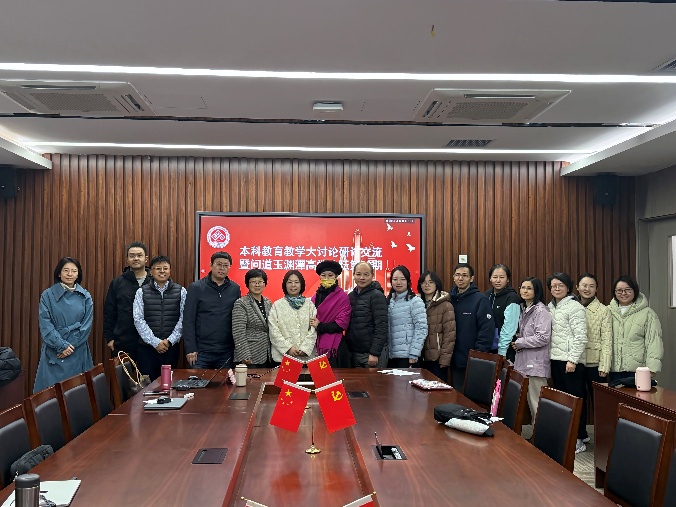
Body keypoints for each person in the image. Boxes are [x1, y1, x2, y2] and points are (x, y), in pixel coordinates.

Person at [34, 257, 93, 393]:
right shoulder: (47, 295)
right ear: (59, 273)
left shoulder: (85, 296)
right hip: (54, 349)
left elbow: (86, 326)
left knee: (78, 393)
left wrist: (70, 346)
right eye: (66, 270)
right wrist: (61, 345)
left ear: (78, 274)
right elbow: (45, 324)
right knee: (51, 395)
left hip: (78, 349)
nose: (70, 274)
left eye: (74, 271)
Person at [547, 272, 588, 453]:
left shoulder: (575, 307)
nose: (557, 288)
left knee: (575, 401)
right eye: (553, 286)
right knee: (562, 401)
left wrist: (573, 359)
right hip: (556, 360)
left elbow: (581, 336)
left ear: (568, 287)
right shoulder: (550, 307)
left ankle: (579, 438)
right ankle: (567, 435)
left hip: (571, 363)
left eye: (560, 285)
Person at [183, 252, 241, 369]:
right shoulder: (196, 288)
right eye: (219, 264)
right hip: (201, 351)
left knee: (225, 381)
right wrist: (191, 348)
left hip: (226, 351)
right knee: (197, 381)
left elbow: (238, 319)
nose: (222, 268)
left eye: (226, 265)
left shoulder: (235, 289)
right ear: (211, 265)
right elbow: (188, 320)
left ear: (230, 267)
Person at [132, 255, 186, 381]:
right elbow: (138, 319)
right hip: (147, 349)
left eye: (165, 268)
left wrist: (170, 341)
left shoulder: (181, 291)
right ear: (151, 271)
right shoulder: (141, 292)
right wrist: (155, 342)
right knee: (147, 387)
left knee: (168, 385)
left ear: (170, 271)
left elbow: (184, 319)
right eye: (158, 268)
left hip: (170, 348)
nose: (162, 271)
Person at [576, 272, 612, 440]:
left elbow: (607, 340)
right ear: (577, 287)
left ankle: (604, 441)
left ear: (596, 289)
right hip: (576, 362)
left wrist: (604, 365)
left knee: (600, 404)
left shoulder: (604, 310)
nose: (587, 289)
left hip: (595, 364)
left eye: (591, 286)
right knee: (578, 400)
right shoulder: (572, 307)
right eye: (584, 285)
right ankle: (581, 435)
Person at [608, 275, 663, 383]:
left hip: (638, 370)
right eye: (619, 290)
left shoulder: (648, 313)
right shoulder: (607, 311)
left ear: (635, 290)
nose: (623, 293)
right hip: (613, 369)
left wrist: (652, 368)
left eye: (628, 290)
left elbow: (654, 342)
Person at [449, 263, 494, 391]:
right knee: (455, 396)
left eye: (464, 275)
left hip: (472, 360)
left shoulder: (480, 300)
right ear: (453, 277)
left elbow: (486, 331)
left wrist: (477, 356)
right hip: (453, 360)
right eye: (457, 275)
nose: (460, 278)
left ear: (471, 278)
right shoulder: (449, 299)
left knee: (470, 398)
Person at [103, 241, 151, 362]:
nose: (136, 258)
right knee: (124, 374)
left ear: (146, 259)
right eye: (132, 256)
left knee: (149, 374)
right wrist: (109, 338)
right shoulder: (117, 283)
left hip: (151, 343)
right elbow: (109, 312)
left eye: (139, 255)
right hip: (123, 342)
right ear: (127, 259)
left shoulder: (154, 282)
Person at [512, 277, 551, 420]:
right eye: (523, 287)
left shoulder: (541, 310)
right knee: (531, 404)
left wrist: (520, 342)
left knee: (538, 406)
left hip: (535, 364)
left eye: (529, 288)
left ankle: (543, 435)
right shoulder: (525, 308)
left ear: (537, 291)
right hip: (525, 363)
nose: (525, 291)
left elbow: (543, 337)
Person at [345, 262, 389, 368]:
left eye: (366, 274)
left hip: (371, 355)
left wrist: (374, 353)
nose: (362, 278)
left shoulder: (377, 296)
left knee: (374, 379)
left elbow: (381, 326)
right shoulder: (350, 296)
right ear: (353, 275)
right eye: (358, 274)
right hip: (354, 354)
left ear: (372, 275)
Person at [310, 260, 352, 367]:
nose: (327, 278)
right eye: (323, 275)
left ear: (336, 276)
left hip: (335, 347)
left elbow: (342, 323)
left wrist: (320, 326)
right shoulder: (315, 297)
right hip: (315, 342)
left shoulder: (342, 297)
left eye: (330, 275)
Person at [269, 270, 317, 362]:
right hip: (283, 358)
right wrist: (288, 348)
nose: (293, 285)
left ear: (301, 284)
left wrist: (305, 348)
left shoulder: (309, 305)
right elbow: (273, 330)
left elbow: (313, 329)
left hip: (306, 357)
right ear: (285, 285)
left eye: (296, 282)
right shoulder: (277, 305)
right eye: (290, 282)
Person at [417, 270, 456, 382]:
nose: (427, 285)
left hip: (437, 360)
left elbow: (450, 335)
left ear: (437, 284)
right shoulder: (416, 303)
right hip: (419, 357)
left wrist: (444, 360)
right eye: (423, 282)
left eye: (431, 282)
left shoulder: (446, 305)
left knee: (437, 390)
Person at [387, 265, 427, 368]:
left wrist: (414, 353)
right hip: (391, 356)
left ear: (408, 282)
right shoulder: (389, 301)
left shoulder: (415, 301)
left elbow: (421, 328)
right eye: (395, 279)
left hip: (408, 356)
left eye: (402, 279)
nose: (398, 282)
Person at [233, 269, 273, 368]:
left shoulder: (268, 302)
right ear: (247, 284)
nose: (257, 285)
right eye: (253, 282)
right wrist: (244, 354)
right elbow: (238, 332)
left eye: (260, 282)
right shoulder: (241, 303)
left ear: (265, 283)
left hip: (267, 354)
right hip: (249, 356)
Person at [484, 264, 520, 360]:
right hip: (487, 347)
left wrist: (502, 351)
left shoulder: (512, 297)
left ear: (507, 279)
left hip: (505, 349)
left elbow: (510, 327)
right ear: (490, 278)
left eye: (502, 277)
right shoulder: (486, 295)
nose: (498, 280)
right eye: (495, 277)